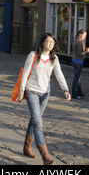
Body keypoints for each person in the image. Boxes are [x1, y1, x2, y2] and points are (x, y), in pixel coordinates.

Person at [16, 32, 71, 165]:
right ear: (42, 42)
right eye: (48, 42)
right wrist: (21, 91)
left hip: (45, 93)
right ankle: (45, 156)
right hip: (32, 91)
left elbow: (59, 75)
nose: (50, 44)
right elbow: (24, 74)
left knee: (35, 120)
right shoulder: (33, 55)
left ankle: (26, 147)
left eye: (53, 42)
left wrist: (65, 89)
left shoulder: (54, 58)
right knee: (38, 123)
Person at [71, 29, 89, 99]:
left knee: (78, 78)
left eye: (85, 35)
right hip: (78, 61)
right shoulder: (79, 42)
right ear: (80, 34)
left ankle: (79, 92)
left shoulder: (75, 40)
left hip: (74, 60)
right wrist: (86, 51)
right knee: (77, 78)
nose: (84, 37)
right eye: (84, 35)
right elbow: (79, 53)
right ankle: (74, 93)